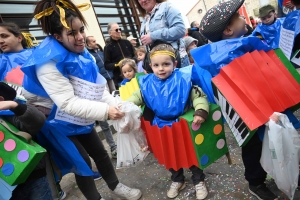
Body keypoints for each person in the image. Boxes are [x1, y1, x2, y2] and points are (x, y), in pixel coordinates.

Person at [21, 1, 142, 200]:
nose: (80, 38)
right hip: (57, 121)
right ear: (57, 36)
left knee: (101, 154)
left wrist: (114, 103)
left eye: (81, 30)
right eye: (72, 33)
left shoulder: (84, 54)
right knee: (82, 163)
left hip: (80, 116)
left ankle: (115, 186)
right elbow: (67, 103)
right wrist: (106, 112)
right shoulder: (47, 63)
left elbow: (95, 89)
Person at [199, 0, 279, 199]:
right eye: (238, 17)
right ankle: (256, 182)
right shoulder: (225, 54)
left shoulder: (242, 42)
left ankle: (280, 171)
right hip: (245, 113)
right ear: (227, 30)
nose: (243, 17)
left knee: (273, 139)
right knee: (253, 146)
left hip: (264, 104)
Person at [127, 44, 209, 200]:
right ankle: (177, 179)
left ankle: (199, 179)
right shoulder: (147, 83)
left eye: (166, 64)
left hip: (182, 124)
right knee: (169, 154)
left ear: (175, 64)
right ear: (151, 66)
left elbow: (198, 96)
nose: (161, 68)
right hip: (160, 125)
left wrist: (201, 111)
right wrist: (126, 106)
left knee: (190, 152)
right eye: (156, 65)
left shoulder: (184, 79)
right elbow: (137, 97)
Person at [0, 83, 51, 200]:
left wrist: (14, 105)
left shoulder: (10, 116)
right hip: (5, 185)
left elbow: (38, 121)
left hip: (32, 176)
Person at [134, 0, 191, 67]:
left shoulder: (167, 7)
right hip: (158, 67)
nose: (143, 0)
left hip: (176, 61)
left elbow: (180, 30)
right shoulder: (145, 20)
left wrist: (153, 36)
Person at [104, 22, 136, 88]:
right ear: (110, 33)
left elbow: (135, 56)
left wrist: (132, 61)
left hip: (134, 76)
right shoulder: (108, 47)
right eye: (116, 30)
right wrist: (117, 64)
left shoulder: (127, 42)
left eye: (120, 29)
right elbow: (106, 65)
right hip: (120, 79)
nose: (119, 31)